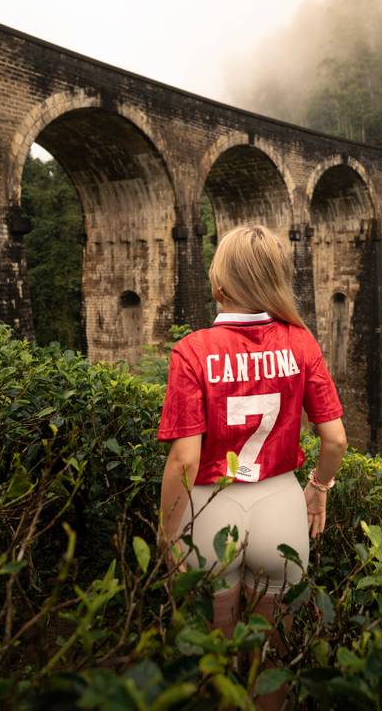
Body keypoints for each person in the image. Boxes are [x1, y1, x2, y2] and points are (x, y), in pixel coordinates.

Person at [157, 224, 347, 710]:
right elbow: (335, 439)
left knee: (210, 657)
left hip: (211, 509)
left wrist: (166, 534)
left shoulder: (193, 350)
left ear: (220, 285)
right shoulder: (302, 343)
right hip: (280, 505)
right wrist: (319, 488)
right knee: (273, 656)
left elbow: (184, 458)